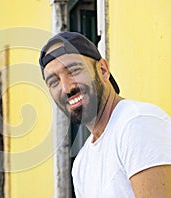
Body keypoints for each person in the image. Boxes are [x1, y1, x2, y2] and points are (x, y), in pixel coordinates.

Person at [39, 32, 171, 197]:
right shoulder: (81, 164)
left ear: (103, 70)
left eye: (73, 70)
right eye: (54, 81)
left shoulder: (137, 124)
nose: (66, 88)